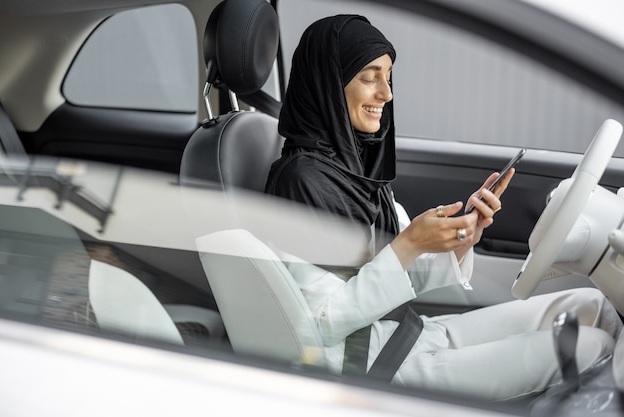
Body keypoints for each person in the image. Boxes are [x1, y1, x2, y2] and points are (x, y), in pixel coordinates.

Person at [264, 14, 622, 401]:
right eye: (370, 77)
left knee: (592, 305)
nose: (386, 94)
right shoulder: (301, 181)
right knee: (588, 347)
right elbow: (321, 325)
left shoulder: (356, 169)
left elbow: (397, 278)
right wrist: (410, 245)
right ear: (329, 83)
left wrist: (461, 236)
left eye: (389, 77)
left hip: (406, 333)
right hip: (363, 364)